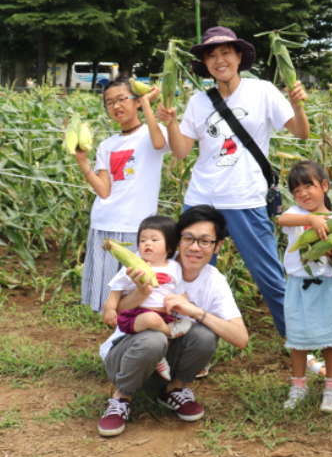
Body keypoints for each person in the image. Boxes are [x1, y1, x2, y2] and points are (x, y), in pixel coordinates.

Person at [157, 26, 309, 339]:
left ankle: (298, 342)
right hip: (202, 199)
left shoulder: (263, 91)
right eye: (212, 55)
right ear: (206, 64)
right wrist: (171, 122)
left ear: (239, 57)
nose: (219, 60)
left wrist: (297, 105)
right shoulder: (199, 102)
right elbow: (181, 151)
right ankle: (193, 347)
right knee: (191, 278)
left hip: (246, 199)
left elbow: (301, 132)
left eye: (226, 52)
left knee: (270, 278)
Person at [97, 206, 249, 437]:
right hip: (125, 361)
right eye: (188, 238)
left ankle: (172, 390)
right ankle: (121, 398)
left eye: (205, 241)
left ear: (217, 246)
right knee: (154, 338)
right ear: (177, 241)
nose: (195, 247)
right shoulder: (144, 265)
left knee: (205, 334)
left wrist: (196, 312)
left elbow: (240, 339)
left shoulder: (213, 281)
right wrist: (141, 292)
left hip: (165, 367)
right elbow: (114, 313)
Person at [77, 79, 168, 314]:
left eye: (121, 99)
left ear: (136, 101)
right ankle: (116, 344)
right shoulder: (107, 145)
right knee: (111, 300)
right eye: (109, 102)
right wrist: (82, 161)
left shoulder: (151, 133)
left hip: (135, 226)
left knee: (138, 294)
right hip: (104, 223)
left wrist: (147, 103)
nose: (116, 106)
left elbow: (159, 143)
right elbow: (104, 191)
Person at [277, 161, 332, 412]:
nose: (303, 194)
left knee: (331, 340)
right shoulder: (296, 214)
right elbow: (281, 220)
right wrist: (310, 218)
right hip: (299, 285)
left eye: (308, 186)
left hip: (328, 286)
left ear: (324, 185)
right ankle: (298, 386)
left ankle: (331, 389)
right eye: (296, 191)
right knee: (298, 340)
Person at [102, 215, 192, 381]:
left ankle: (159, 358)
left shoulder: (174, 268)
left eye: (154, 239)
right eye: (142, 240)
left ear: (170, 246)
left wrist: (187, 308)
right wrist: (109, 309)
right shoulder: (132, 268)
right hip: (136, 317)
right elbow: (115, 291)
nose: (147, 244)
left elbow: (180, 293)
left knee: (163, 336)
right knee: (152, 319)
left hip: (164, 316)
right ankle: (171, 332)